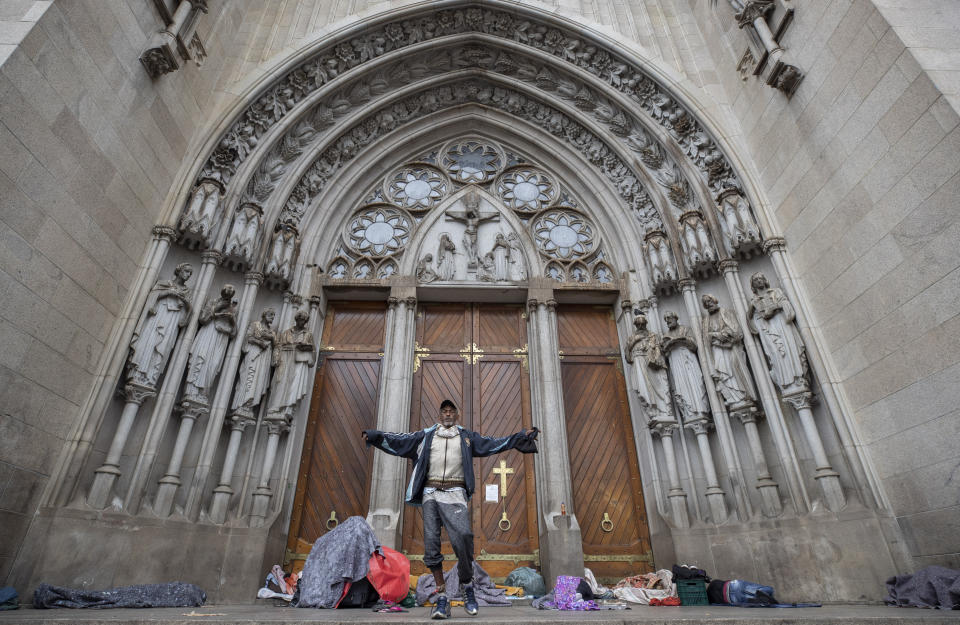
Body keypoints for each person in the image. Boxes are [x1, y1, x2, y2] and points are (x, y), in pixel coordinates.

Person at [362, 400, 538, 619]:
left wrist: (521, 437)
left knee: (463, 536)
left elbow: (494, 443)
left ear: (456, 415)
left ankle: (466, 585)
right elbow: (399, 440)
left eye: (451, 411)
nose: (447, 414)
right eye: (444, 411)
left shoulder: (466, 438)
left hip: (455, 493)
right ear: (439, 415)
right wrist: (375, 435)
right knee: (431, 545)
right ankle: (442, 596)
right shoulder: (426, 436)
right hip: (430, 494)